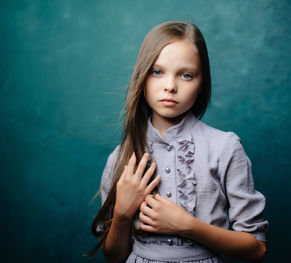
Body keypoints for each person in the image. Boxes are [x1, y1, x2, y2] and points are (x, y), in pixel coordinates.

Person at [88, 21, 269, 262]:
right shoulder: (121, 157)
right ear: (142, 77)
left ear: (202, 82)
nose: (170, 86)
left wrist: (187, 226)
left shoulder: (225, 147)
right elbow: (114, 258)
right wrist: (121, 214)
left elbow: (256, 248)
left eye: (186, 75)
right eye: (157, 71)